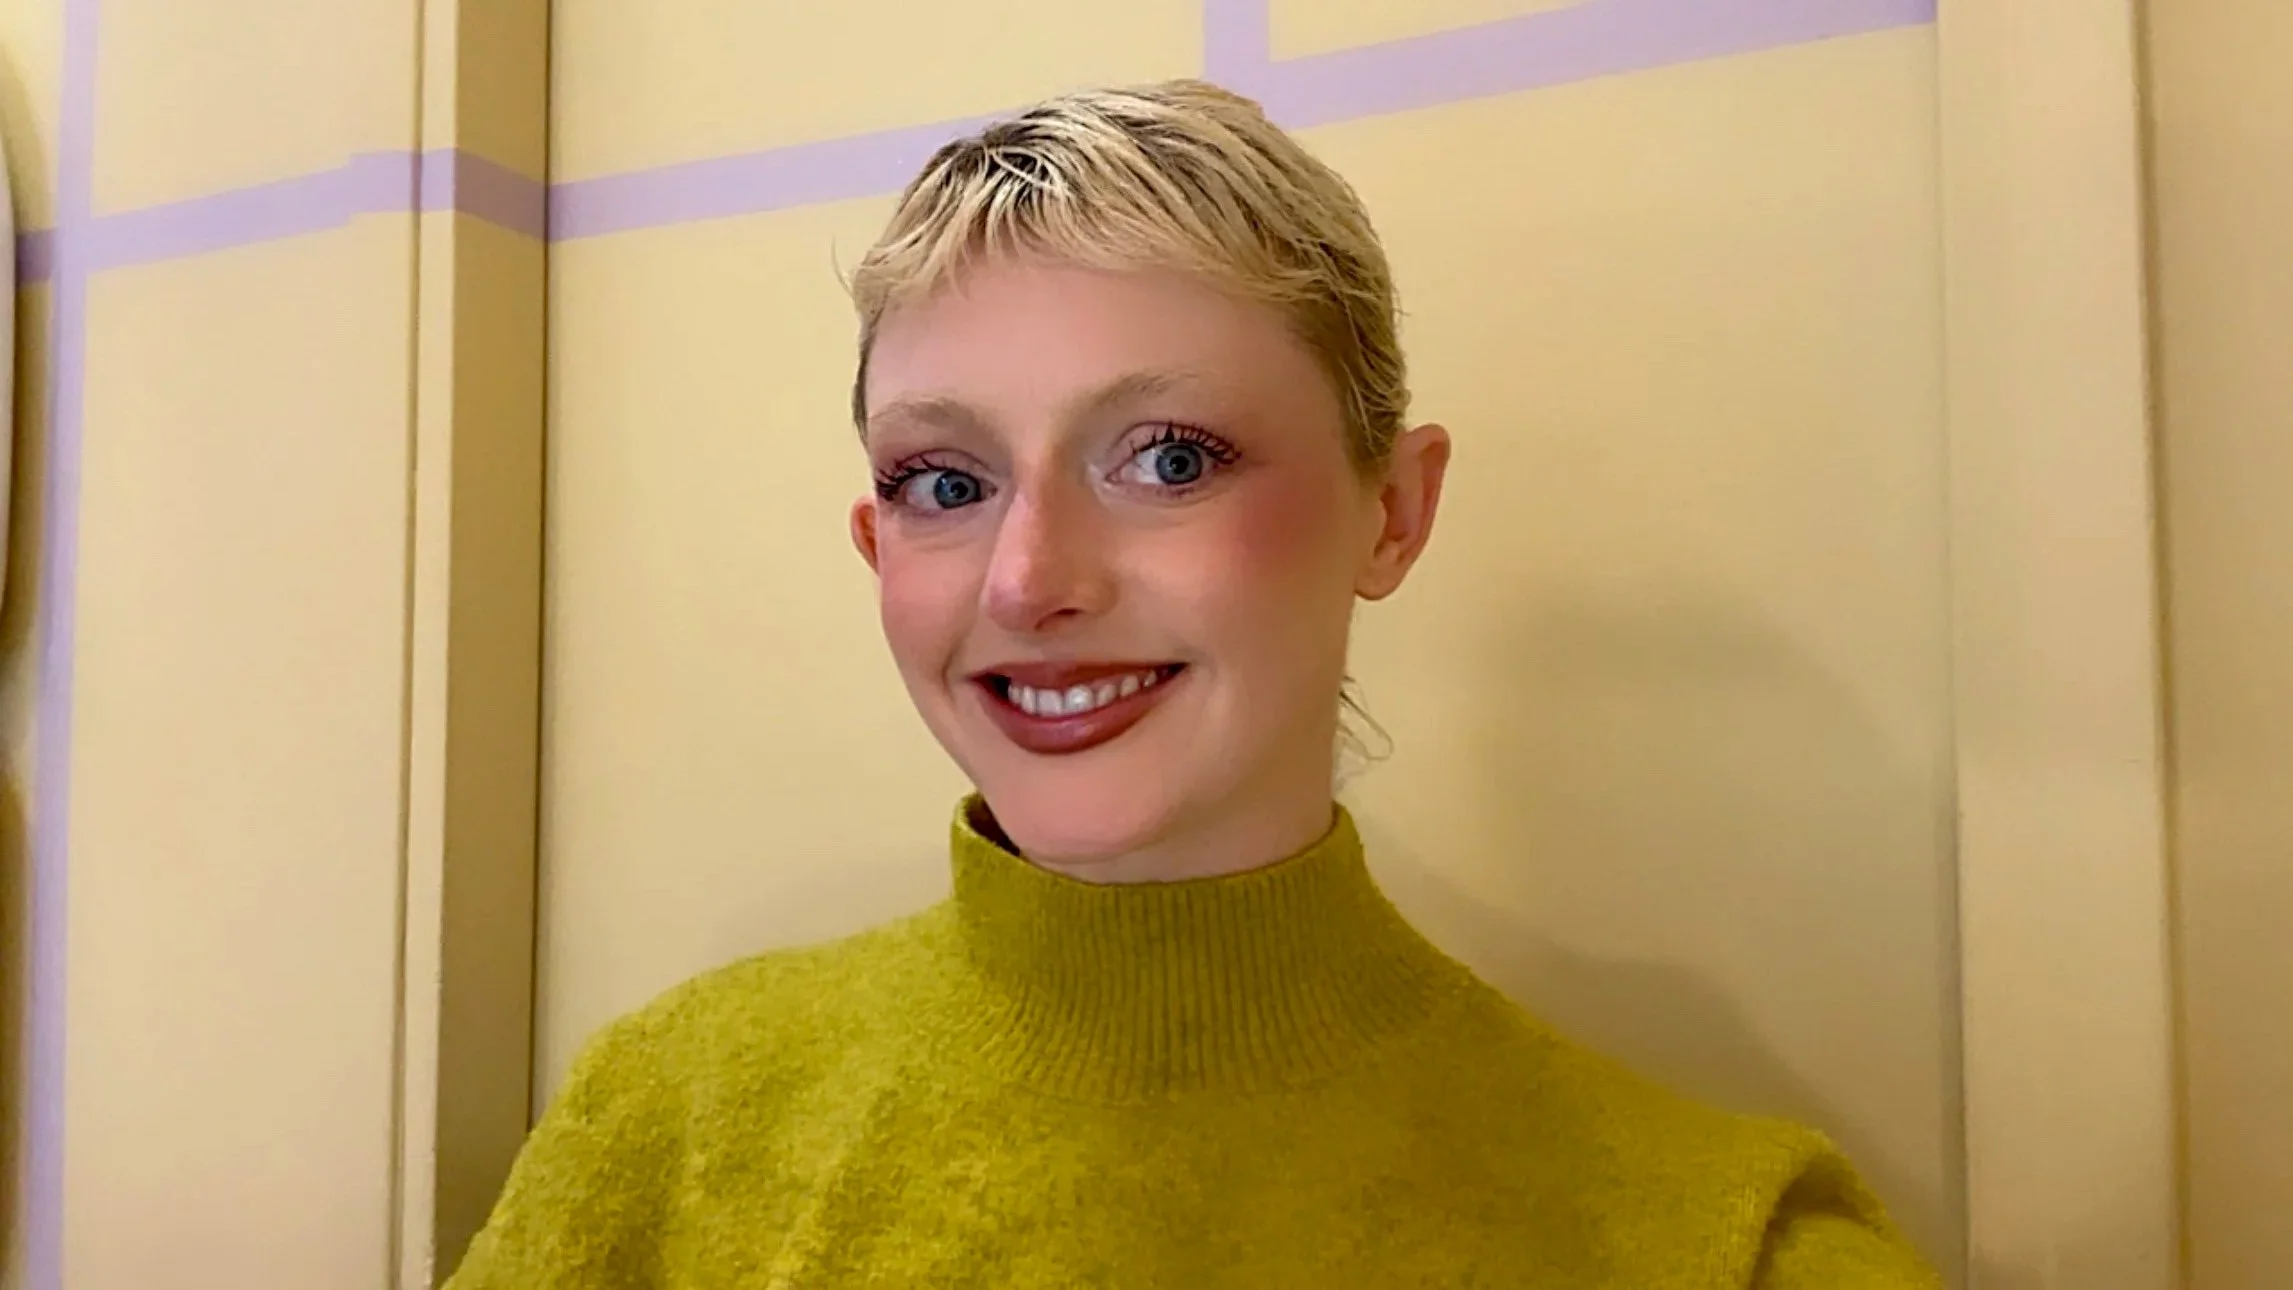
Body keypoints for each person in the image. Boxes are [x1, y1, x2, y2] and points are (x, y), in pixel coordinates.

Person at [447, 79, 1940, 1288]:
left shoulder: (1727, 1246)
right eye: (944, 479)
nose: (1031, 579)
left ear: (1394, 513)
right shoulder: (664, 1133)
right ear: (872, 540)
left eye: (1169, 457)